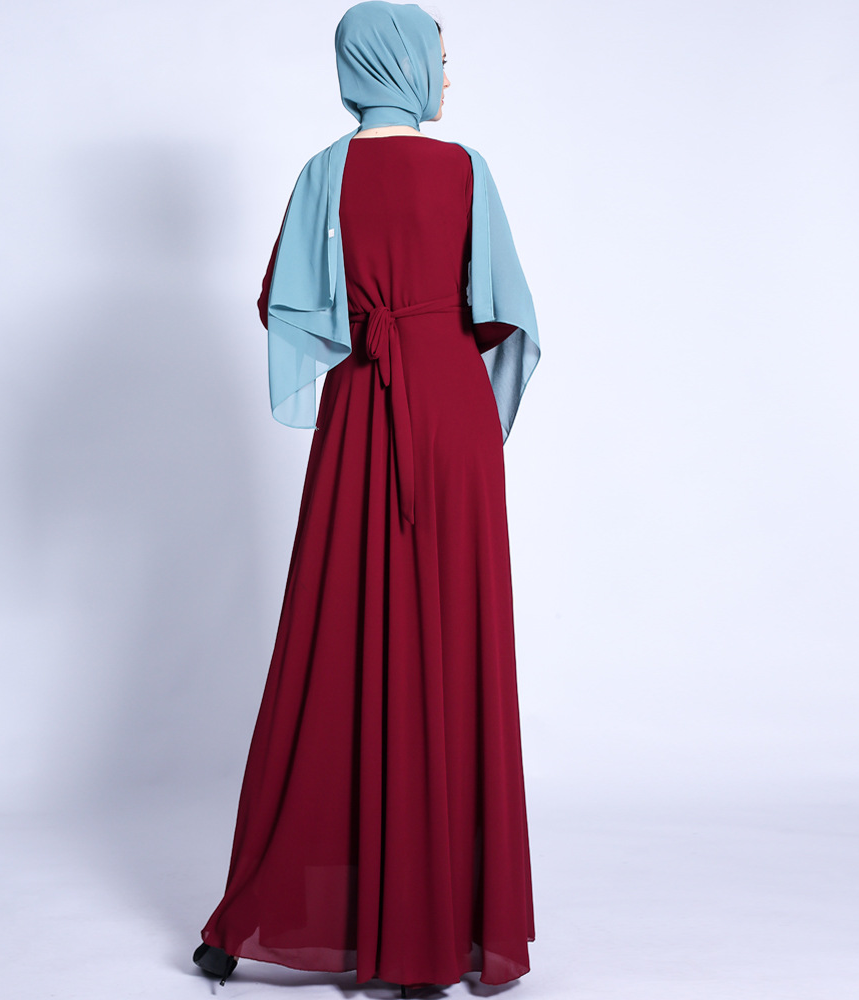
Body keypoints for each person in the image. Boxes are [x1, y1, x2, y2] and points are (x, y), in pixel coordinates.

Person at [193, 3, 539, 995]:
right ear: (403, 63)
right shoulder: (464, 170)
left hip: (360, 410)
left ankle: (271, 917)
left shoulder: (322, 173)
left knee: (335, 642)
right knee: (452, 641)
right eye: (439, 57)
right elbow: (504, 316)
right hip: (450, 416)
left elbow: (288, 307)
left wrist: (374, 313)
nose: (446, 75)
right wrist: (427, 325)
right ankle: (437, 936)